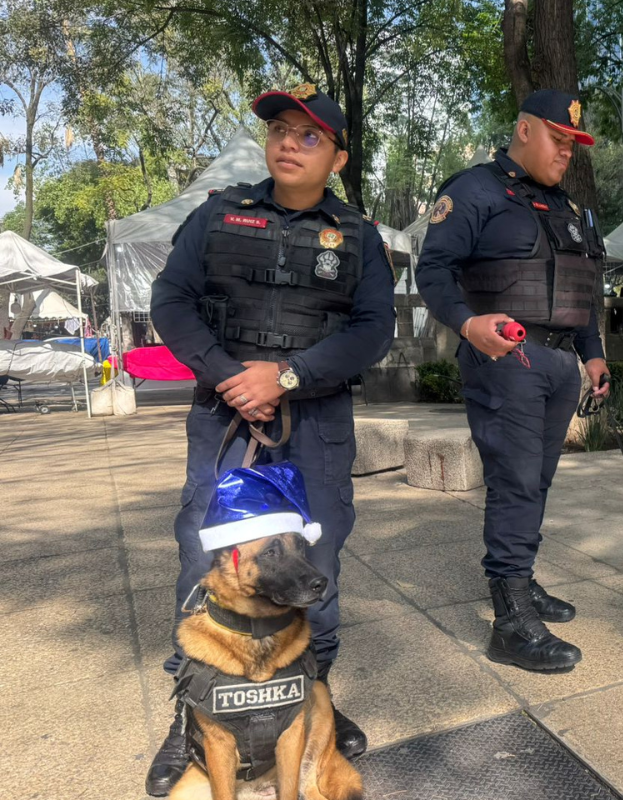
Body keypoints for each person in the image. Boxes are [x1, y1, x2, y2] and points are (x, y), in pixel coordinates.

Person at [145, 83, 395, 796]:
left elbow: (373, 328)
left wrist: (286, 377)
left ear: (337, 158)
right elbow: (172, 301)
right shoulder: (218, 215)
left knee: (316, 561)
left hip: (315, 420)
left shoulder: (358, 237)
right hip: (226, 414)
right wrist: (231, 377)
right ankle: (192, 719)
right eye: (281, 129)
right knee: (206, 554)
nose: (289, 141)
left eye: (309, 135)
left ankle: (312, 699)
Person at [416, 89, 608, 672]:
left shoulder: (570, 210)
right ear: (524, 131)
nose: (567, 151)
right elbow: (434, 269)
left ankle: (521, 582)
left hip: (558, 362)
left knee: (538, 480)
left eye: (573, 143)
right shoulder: (474, 190)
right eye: (558, 138)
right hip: (506, 357)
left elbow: (582, 288)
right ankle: (511, 620)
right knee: (516, 483)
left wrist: (593, 354)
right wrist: (468, 323)